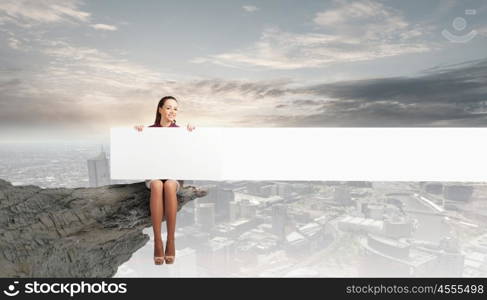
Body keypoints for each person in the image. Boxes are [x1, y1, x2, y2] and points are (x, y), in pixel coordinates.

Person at [134, 96, 195, 265]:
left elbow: (189, 154)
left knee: (168, 185)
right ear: (160, 109)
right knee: (156, 184)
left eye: (175, 109)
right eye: (168, 107)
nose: (172, 111)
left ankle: (171, 241)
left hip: (173, 174)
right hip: (154, 173)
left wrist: (191, 133)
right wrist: (138, 132)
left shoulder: (182, 131)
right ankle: (158, 241)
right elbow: (139, 154)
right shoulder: (149, 130)